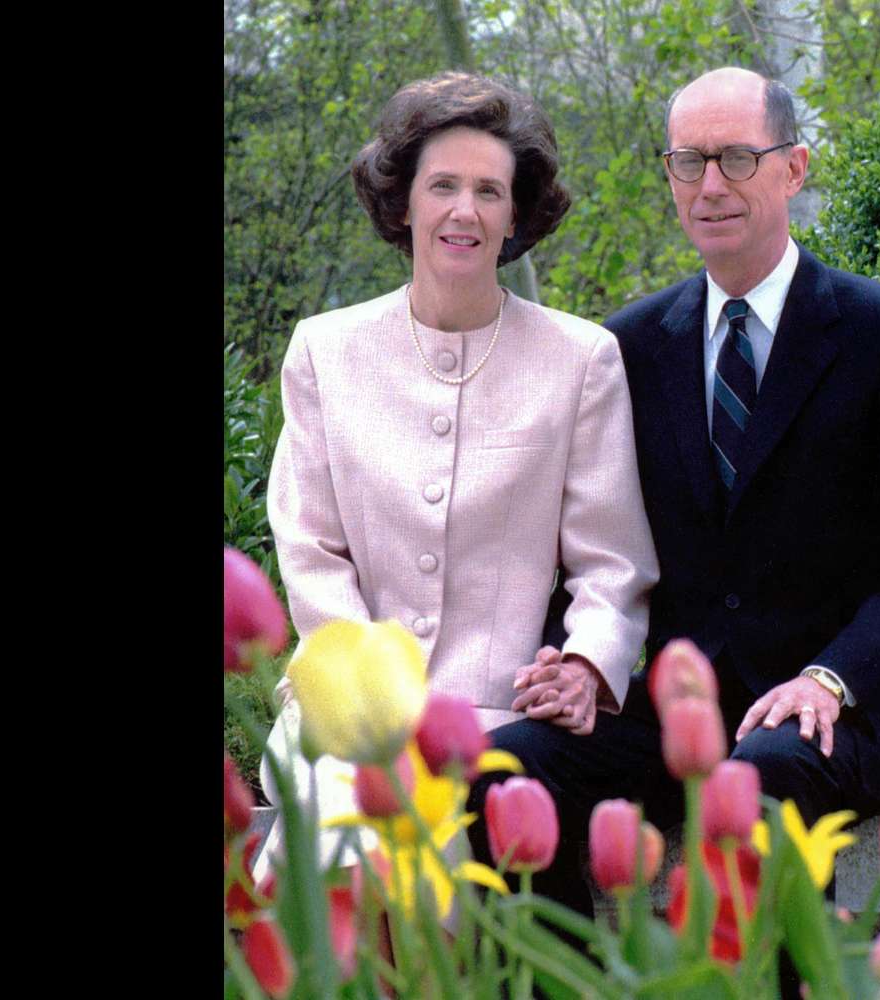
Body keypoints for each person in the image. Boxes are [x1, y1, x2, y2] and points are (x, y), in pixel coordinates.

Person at [468, 67, 880, 916]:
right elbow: (595, 547)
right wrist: (577, 659)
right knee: (501, 770)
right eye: (688, 161)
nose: (710, 187)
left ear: (795, 167)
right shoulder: (626, 348)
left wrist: (829, 679)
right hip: (675, 712)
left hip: (835, 724)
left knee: (759, 781)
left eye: (737, 159)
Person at [254, 71, 658, 880]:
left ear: (515, 215)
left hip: (496, 715)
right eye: (443, 186)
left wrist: (585, 667)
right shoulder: (324, 352)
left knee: (429, 836)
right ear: (402, 203)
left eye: (488, 190)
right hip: (344, 711)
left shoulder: (581, 359)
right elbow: (309, 549)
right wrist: (366, 695)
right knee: (352, 838)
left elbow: (612, 565)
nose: (464, 211)